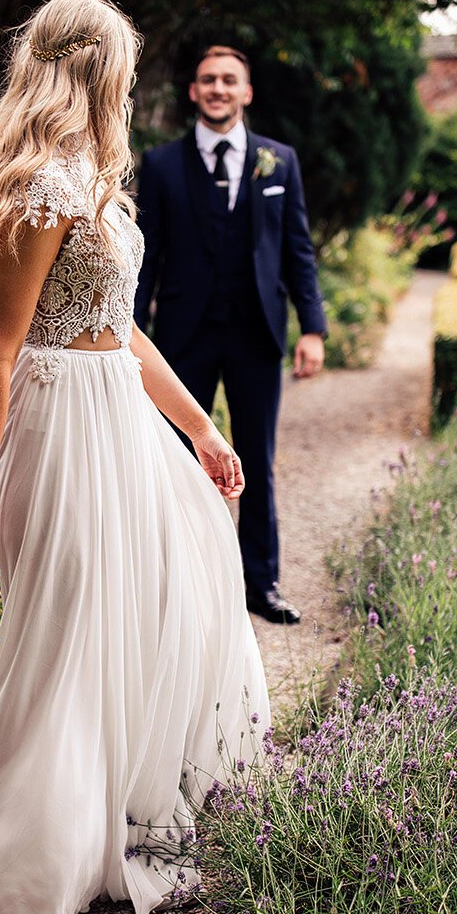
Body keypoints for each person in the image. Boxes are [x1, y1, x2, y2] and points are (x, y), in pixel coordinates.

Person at [0, 0, 272, 914]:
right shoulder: (41, 181)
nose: (131, 81)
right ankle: (21, 880)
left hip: (119, 416)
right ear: (91, 66)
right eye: (122, 64)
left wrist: (201, 427)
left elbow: (119, 328)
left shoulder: (93, 177)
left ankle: (107, 839)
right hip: (60, 428)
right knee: (65, 649)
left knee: (175, 591)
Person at [133, 45, 327, 625]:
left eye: (229, 80)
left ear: (246, 92)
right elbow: (146, 257)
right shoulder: (162, 164)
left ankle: (260, 585)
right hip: (182, 336)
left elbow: (298, 251)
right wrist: (128, 333)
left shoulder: (279, 161)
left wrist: (312, 327)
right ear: (193, 92)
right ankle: (183, 586)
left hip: (256, 334)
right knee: (180, 458)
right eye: (207, 80)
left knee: (256, 460)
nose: (218, 88)